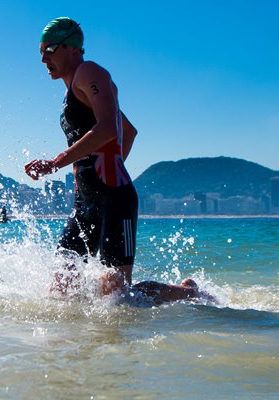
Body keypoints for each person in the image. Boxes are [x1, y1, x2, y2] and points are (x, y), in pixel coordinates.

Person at [25, 17, 201, 303]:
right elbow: (127, 131)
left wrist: (60, 164)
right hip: (86, 203)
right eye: (41, 51)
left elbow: (109, 129)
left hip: (113, 199)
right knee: (61, 289)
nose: (44, 57)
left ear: (73, 48)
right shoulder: (74, 91)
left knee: (118, 298)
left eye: (51, 49)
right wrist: (97, 173)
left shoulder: (89, 72)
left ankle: (188, 292)